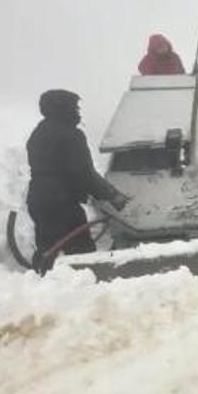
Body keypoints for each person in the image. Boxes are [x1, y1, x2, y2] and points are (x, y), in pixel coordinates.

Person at [26, 89, 129, 273]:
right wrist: (112, 195)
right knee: (83, 253)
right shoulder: (71, 136)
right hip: (62, 204)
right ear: (63, 110)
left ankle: (40, 284)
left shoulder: (38, 133)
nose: (78, 112)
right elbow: (84, 173)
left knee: (47, 248)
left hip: (38, 200)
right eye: (74, 107)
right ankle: (88, 288)